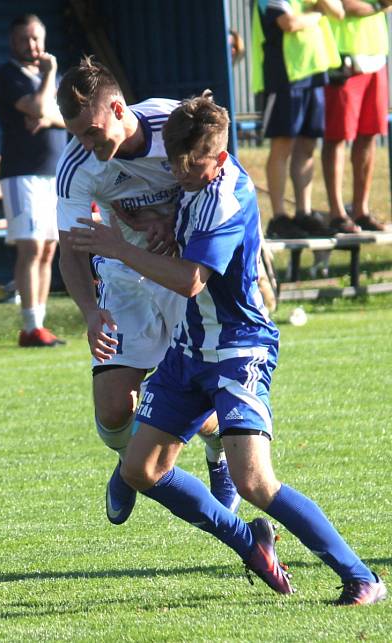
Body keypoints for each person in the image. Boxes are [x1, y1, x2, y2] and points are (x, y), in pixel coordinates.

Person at [68, 91, 386, 605]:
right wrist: (161, 226)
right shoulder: (191, 181)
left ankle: (362, 576)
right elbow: (181, 226)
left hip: (239, 348)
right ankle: (249, 541)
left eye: (193, 165)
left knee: (255, 481)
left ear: (220, 157)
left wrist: (118, 247)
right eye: (175, 163)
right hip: (191, 348)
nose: (182, 173)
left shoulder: (228, 193)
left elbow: (192, 280)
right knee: (140, 469)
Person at [55, 57, 240, 527]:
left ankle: (217, 454)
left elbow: (220, 184)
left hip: (179, 271)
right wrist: (90, 312)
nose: (86, 145)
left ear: (119, 109)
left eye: (92, 131)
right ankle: (127, 463)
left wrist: (174, 223)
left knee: (195, 391)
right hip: (120, 272)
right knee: (114, 408)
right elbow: (72, 252)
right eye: (76, 135)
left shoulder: (173, 124)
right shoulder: (77, 166)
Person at [0, 14, 66, 347]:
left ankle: (41, 324)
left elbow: (68, 116)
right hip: (22, 173)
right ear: (13, 42)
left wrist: (46, 116)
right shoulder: (8, 77)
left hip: (53, 173)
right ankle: (28, 324)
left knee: (49, 248)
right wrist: (47, 83)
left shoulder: (54, 78)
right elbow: (36, 106)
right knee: (31, 246)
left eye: (37, 38)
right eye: (25, 39)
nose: (33, 46)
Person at [253, 0, 345, 238]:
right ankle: (279, 217)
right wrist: (317, 12)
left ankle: (303, 213)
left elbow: (339, 12)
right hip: (284, 76)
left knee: (308, 145)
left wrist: (320, 7)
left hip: (313, 74)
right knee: (282, 145)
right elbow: (289, 23)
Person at [321, 0, 392, 232]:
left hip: (376, 56)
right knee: (337, 136)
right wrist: (378, 5)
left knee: (369, 134)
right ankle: (337, 213)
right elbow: (344, 5)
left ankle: (361, 210)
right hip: (343, 56)